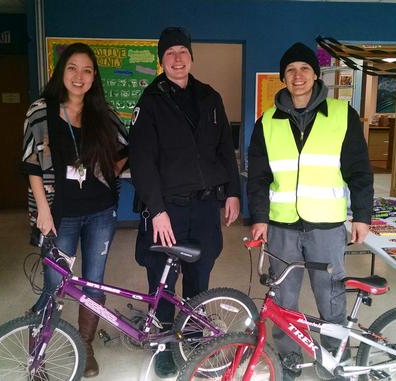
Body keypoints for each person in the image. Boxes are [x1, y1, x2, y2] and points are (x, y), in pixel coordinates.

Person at [247, 42, 373, 380]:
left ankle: (334, 360)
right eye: (290, 71)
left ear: (315, 74)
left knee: (330, 298)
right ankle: (290, 362)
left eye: (304, 69)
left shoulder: (342, 115)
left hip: (326, 227)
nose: (298, 76)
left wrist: (362, 214)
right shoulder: (267, 122)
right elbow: (257, 176)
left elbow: (359, 169)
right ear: (283, 79)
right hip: (282, 226)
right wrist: (259, 218)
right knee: (283, 302)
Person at [129, 26, 241, 378]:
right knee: (162, 279)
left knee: (200, 274)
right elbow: (142, 160)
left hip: (206, 207)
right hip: (168, 209)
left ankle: (191, 337)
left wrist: (232, 192)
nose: (177, 59)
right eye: (170, 54)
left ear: (191, 57)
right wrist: (157, 210)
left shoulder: (210, 97)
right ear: (162, 61)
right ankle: (163, 344)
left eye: (182, 52)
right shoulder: (150, 102)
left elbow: (225, 148)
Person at [20, 42, 128, 378]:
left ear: (94, 76)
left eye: (86, 70)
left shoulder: (104, 115)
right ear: (61, 72)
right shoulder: (41, 111)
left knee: (94, 285)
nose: (79, 76)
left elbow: (127, 149)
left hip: (100, 213)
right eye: (72, 68)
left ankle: (85, 346)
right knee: (54, 286)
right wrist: (43, 210)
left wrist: (104, 170)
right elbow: (31, 164)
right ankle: (37, 354)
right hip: (59, 213)